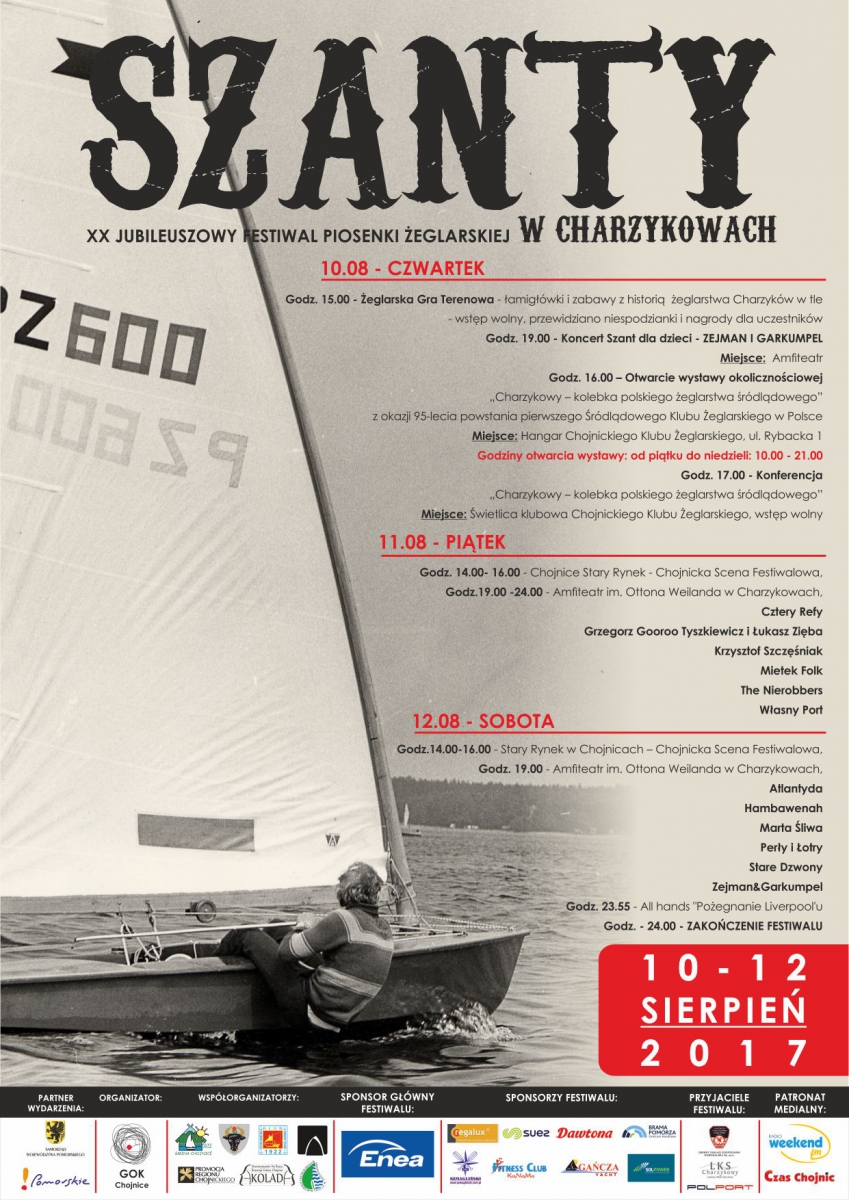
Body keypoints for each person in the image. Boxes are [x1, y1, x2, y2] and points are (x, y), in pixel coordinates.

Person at [216, 861, 394, 1032]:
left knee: (246, 933)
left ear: (347, 890)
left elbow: (285, 952)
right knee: (277, 926)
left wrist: (303, 925)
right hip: (334, 1022)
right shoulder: (385, 928)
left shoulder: (343, 919)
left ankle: (211, 965)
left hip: (305, 1010)